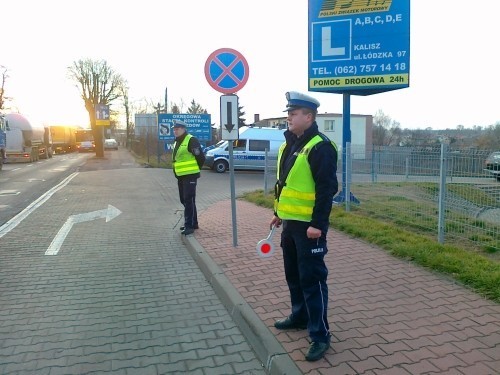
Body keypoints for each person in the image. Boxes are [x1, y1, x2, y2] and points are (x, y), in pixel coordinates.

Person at [270, 91, 339, 362]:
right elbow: (286, 183)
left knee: (313, 280)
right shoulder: (291, 143)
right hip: (290, 224)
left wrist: (318, 225)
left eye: (294, 113)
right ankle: (299, 316)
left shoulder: (321, 147)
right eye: (289, 112)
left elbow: (326, 189)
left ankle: (320, 335)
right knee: (294, 276)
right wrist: (278, 213)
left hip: (309, 228)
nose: (289, 117)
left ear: (309, 117)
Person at [171, 119, 205, 235]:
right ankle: (193, 223)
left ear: (183, 129)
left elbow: (201, 157)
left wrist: (195, 170)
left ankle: (189, 226)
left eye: (177, 129)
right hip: (181, 175)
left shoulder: (191, 140)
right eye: (174, 129)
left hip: (190, 176)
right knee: (185, 199)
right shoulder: (177, 141)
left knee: (188, 199)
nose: (175, 131)